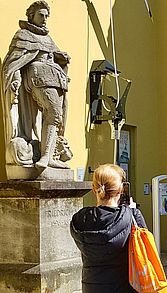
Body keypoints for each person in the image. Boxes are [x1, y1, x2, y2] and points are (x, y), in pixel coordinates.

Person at [1, 1, 71, 168]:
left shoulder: (48, 39)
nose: (45, 19)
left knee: (57, 115)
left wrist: (62, 58)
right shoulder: (23, 35)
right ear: (31, 16)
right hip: (37, 79)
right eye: (41, 15)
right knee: (53, 112)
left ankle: (50, 155)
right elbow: (14, 62)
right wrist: (16, 78)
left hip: (55, 80)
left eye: (47, 16)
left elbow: (54, 57)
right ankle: (46, 157)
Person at [70, 164, 146, 293]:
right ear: (121, 189)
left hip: (92, 285)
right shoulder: (131, 215)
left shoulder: (80, 218)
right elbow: (145, 247)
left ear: (94, 188)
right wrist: (131, 210)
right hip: (125, 285)